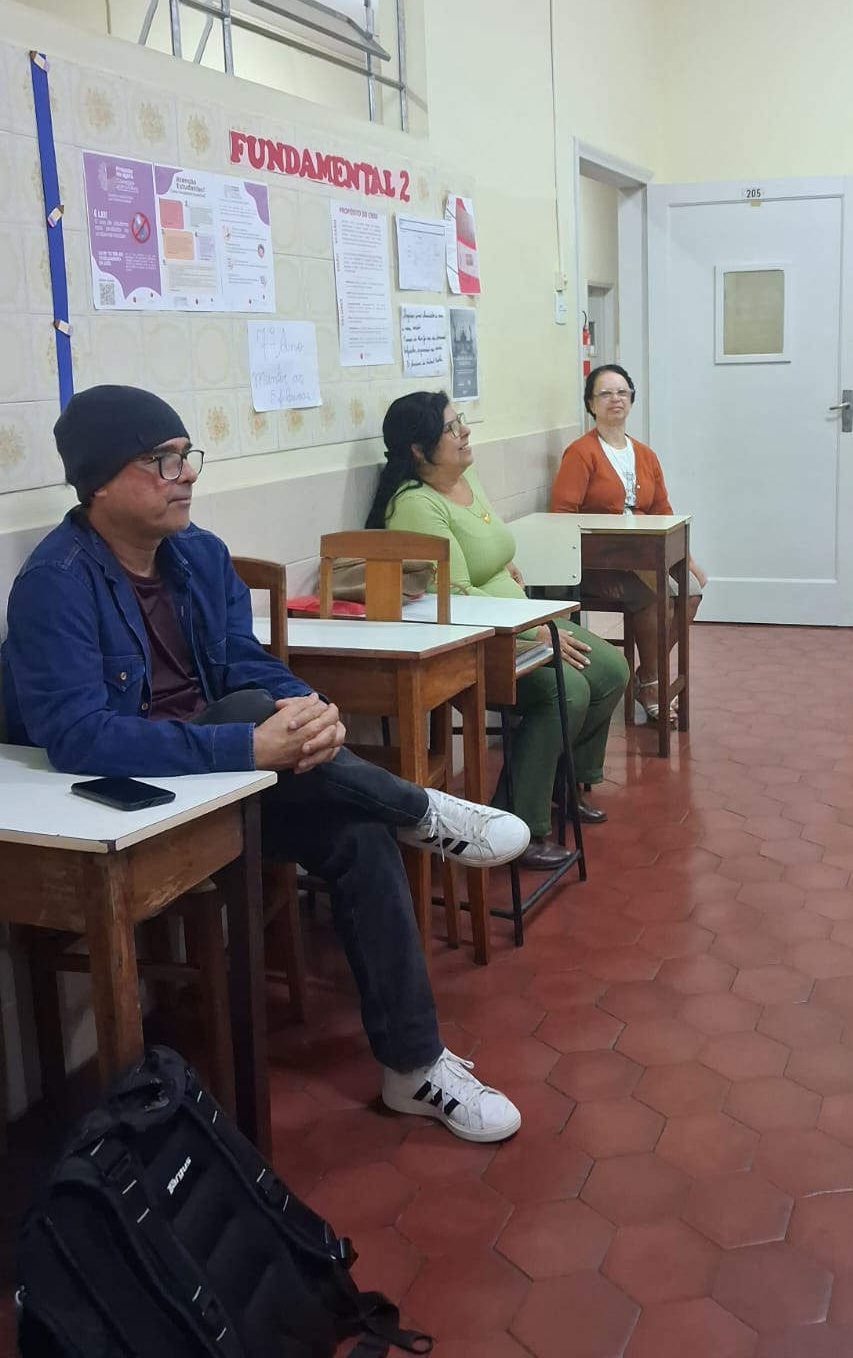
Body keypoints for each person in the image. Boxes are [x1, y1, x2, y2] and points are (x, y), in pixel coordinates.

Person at [2, 386, 530, 1143]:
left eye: (187, 455)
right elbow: (78, 736)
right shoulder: (55, 585)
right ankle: (418, 809)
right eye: (162, 460)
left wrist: (308, 707)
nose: (187, 473)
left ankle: (413, 1069)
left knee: (357, 835)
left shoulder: (197, 554)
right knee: (254, 714)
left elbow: (245, 660)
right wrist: (248, 745)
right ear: (100, 483)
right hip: (144, 794)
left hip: (231, 784)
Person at [367, 391, 629, 870]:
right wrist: (532, 636)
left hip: (520, 619)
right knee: (565, 690)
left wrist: (505, 567)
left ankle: (560, 783)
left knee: (611, 669)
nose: (464, 431)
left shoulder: (464, 476)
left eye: (460, 420)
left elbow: (485, 547)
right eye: (451, 428)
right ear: (419, 450)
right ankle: (519, 824)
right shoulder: (415, 505)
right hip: (477, 642)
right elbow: (456, 597)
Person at [550, 363, 705, 723]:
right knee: (653, 596)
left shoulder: (645, 454)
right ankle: (651, 684)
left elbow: (663, 511)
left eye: (622, 392)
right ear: (591, 404)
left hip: (644, 557)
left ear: (632, 400)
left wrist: (687, 559)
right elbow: (561, 515)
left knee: (691, 592)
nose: (615, 399)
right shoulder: (581, 453)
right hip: (597, 563)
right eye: (605, 393)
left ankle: (647, 674)